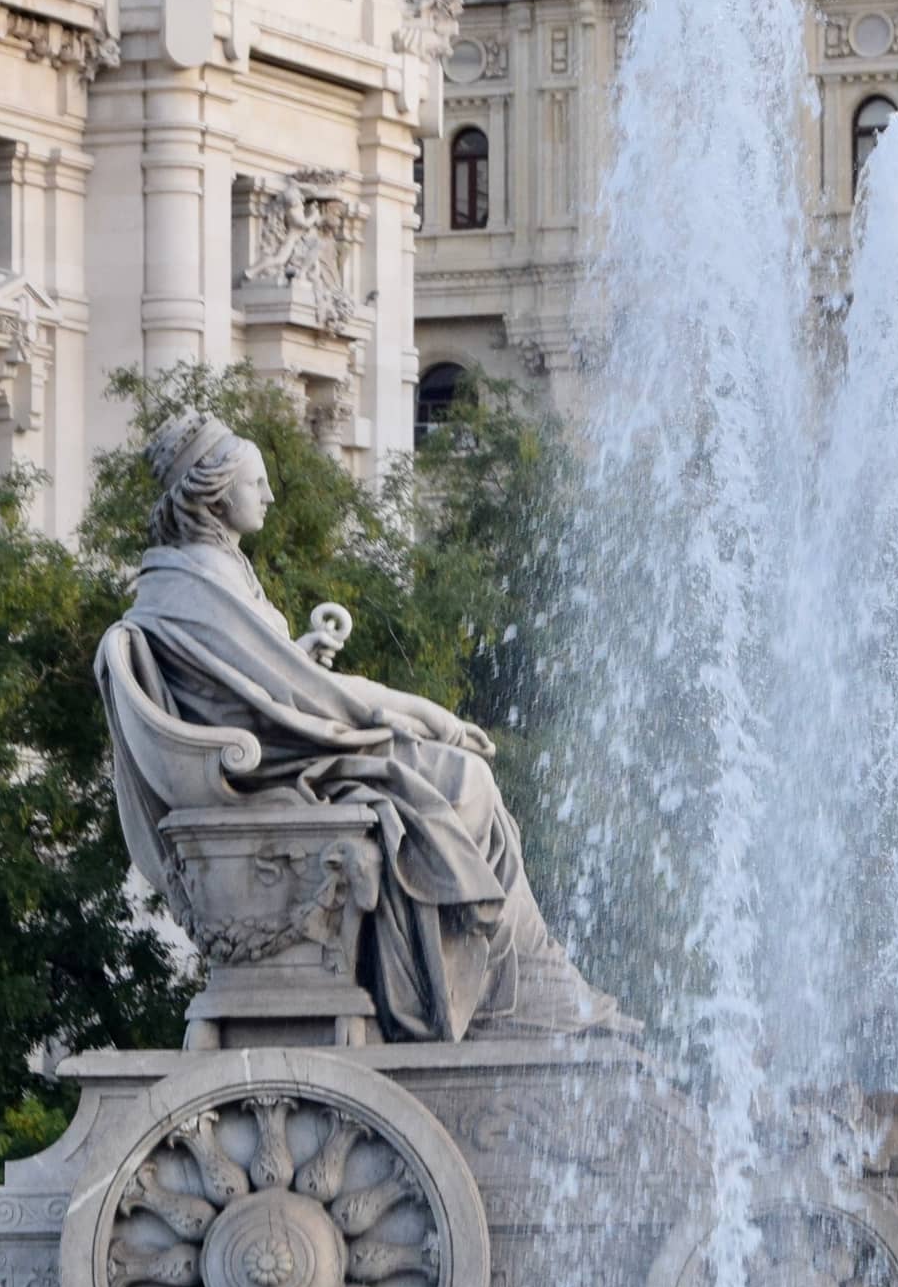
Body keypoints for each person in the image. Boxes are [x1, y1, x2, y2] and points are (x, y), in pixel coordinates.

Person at [100, 409, 614, 1043]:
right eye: (254, 482)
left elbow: (273, 687)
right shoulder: (195, 587)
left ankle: (522, 976)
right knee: (465, 781)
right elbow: (310, 701)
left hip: (288, 755)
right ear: (212, 493)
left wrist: (302, 664)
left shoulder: (204, 577)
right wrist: (423, 715)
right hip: (289, 768)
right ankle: (513, 991)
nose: (267, 494)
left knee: (460, 779)